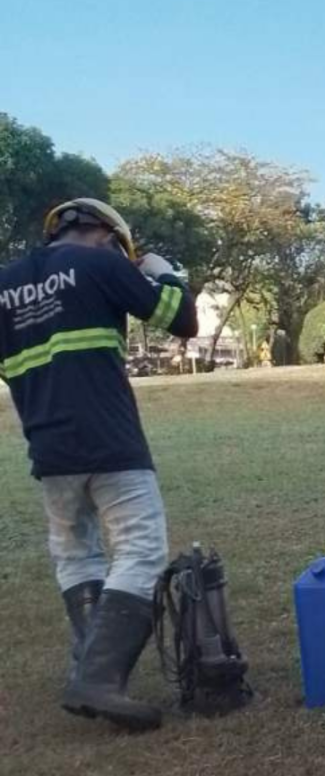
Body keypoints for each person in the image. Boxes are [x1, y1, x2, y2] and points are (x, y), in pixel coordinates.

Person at [0, 198, 199, 729]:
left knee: (76, 555)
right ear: (109, 237)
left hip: (48, 447)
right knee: (140, 550)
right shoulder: (101, 264)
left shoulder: (5, 284)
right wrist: (163, 272)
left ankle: (91, 672)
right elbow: (181, 319)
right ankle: (98, 679)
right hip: (110, 441)